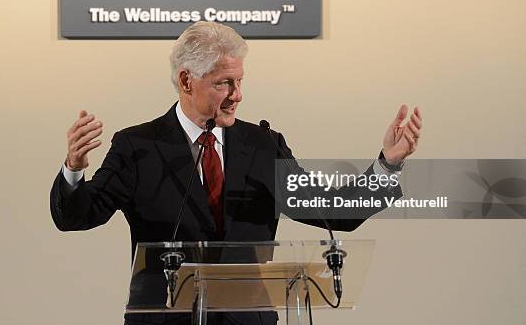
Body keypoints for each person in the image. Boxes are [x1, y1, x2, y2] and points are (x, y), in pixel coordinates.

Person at [50, 21, 422, 325]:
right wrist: (73, 170)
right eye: (223, 83)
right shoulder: (138, 147)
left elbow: (332, 211)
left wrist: (387, 165)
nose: (237, 94)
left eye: (239, 81)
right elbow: (80, 215)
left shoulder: (263, 145)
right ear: (186, 81)